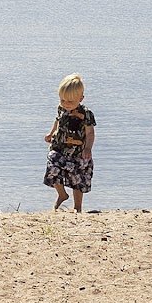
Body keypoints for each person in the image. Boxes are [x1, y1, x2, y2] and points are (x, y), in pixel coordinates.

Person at [43, 73, 98, 212]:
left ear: (81, 98)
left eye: (71, 102)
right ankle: (62, 194)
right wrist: (51, 133)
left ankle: (77, 207)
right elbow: (58, 120)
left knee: (77, 179)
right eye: (63, 100)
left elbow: (90, 133)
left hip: (79, 152)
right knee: (52, 166)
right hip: (59, 147)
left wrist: (88, 148)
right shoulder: (61, 108)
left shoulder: (86, 114)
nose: (66, 104)